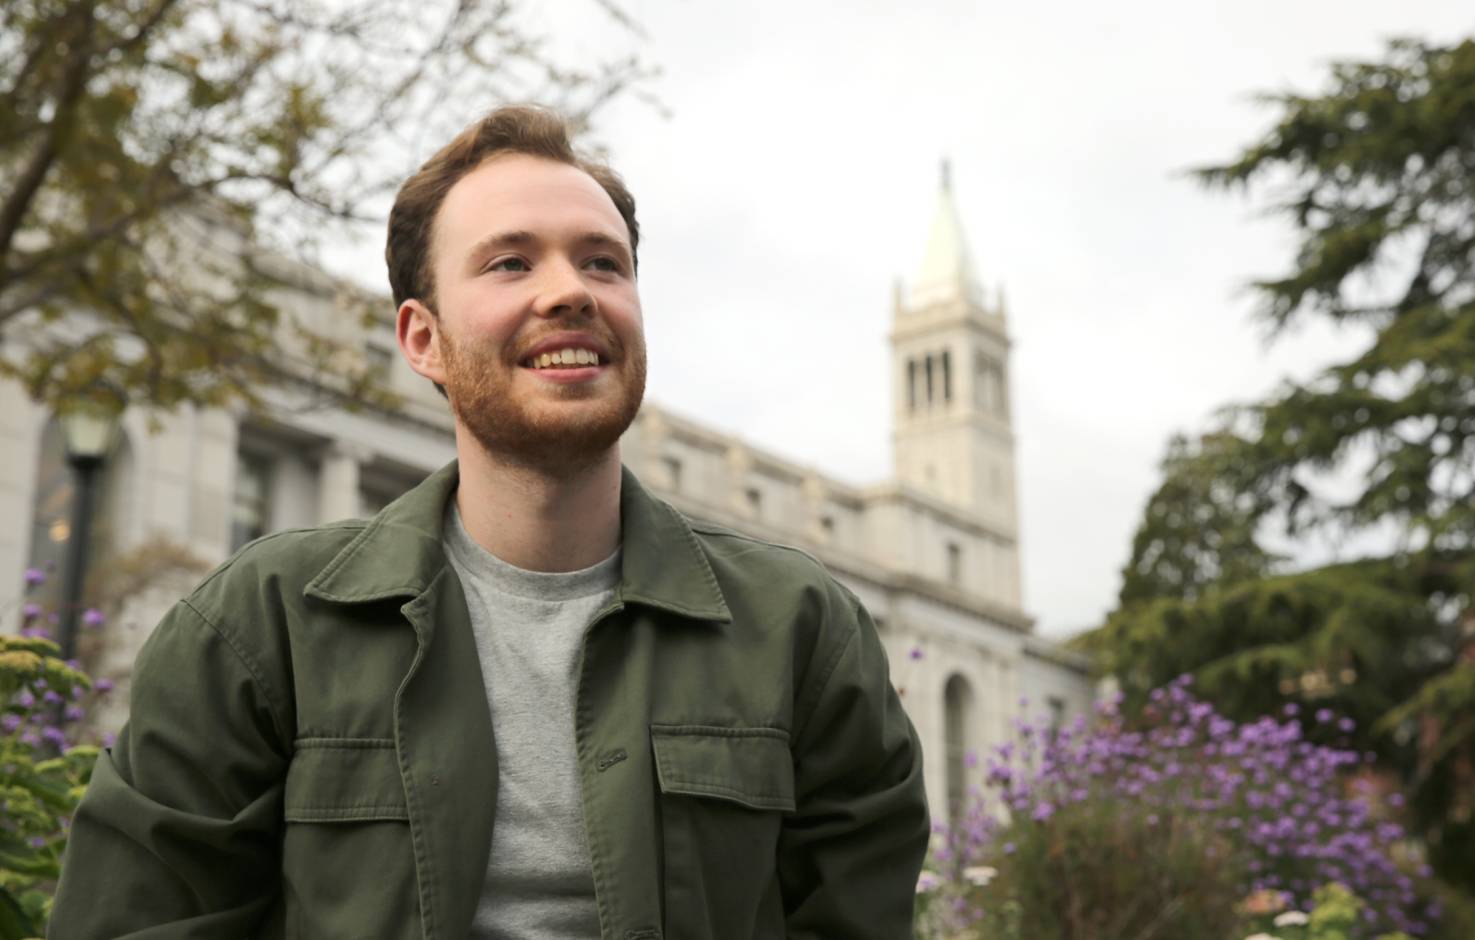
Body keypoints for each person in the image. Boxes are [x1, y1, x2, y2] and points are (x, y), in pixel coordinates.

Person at [51, 104, 929, 939]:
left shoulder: (801, 631)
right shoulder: (257, 625)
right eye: (511, 263)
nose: (571, 292)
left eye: (603, 263)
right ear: (421, 338)